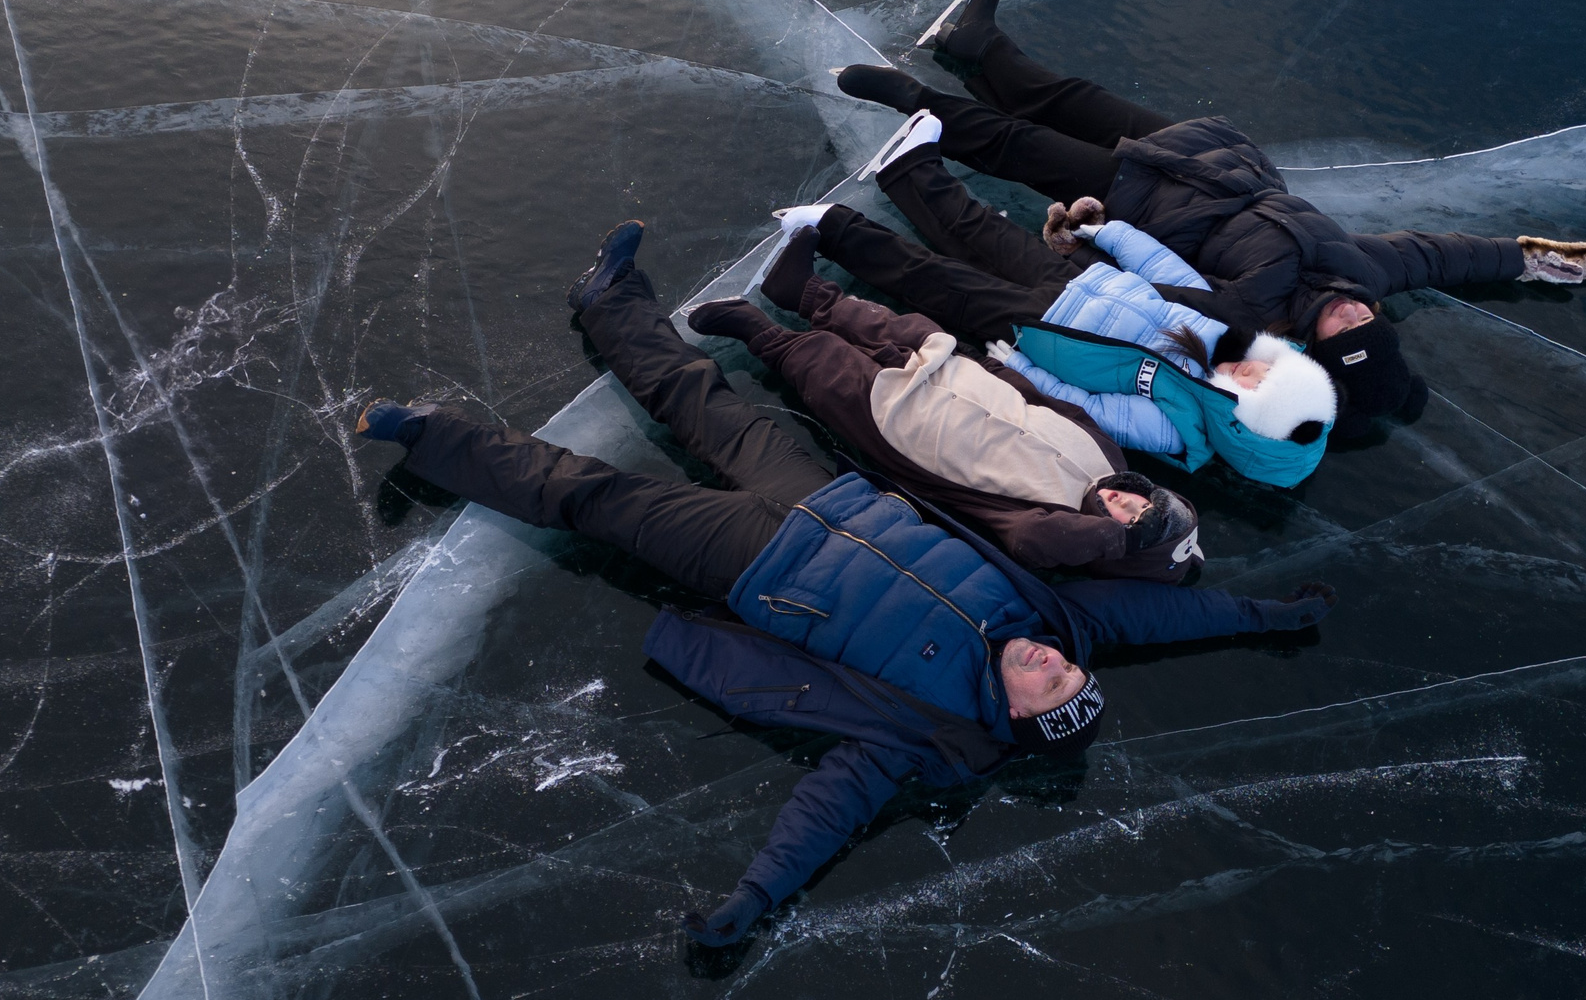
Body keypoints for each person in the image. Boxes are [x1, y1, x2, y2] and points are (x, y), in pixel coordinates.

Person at [355, 219, 1336, 946]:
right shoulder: (1047, 620)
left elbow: (828, 812)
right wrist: (1265, 617)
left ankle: (428, 437)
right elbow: (1158, 617)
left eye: (1048, 686)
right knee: (701, 395)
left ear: (1021, 719)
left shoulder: (926, 736)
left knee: (584, 495)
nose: (1050, 661)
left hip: (747, 562)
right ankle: (608, 298)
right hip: (825, 493)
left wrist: (754, 900)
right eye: (1069, 671)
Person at [833, 0, 1586, 426]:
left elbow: (1158, 296)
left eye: (1344, 331)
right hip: (1210, 159)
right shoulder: (1366, 276)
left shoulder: (1255, 315)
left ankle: (907, 96)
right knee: (1077, 100)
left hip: (1140, 198)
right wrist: (1529, 258)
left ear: (1320, 349)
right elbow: (1440, 256)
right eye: (1366, 321)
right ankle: (980, 48)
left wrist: (1091, 241)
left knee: (1018, 148)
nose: (1355, 315)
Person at [775, 114, 1338, 488]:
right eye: (1273, 373)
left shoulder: (1179, 427)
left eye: (1259, 394)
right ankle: (908, 168)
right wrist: (1107, 235)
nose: (1255, 373)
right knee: (979, 232)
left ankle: (833, 228)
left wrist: (1021, 367)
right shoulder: (1230, 329)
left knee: (930, 277)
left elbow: (1089, 409)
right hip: (1081, 280)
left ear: (1245, 423)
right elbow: (1170, 271)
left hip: (1040, 332)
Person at [687, 229, 1203, 582]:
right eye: (1140, 502)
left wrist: (1112, 540)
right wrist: (991, 367)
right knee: (887, 325)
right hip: (961, 376)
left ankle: (755, 329)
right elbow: (1051, 407)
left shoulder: (1057, 527)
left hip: (905, 428)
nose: (1122, 504)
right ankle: (799, 289)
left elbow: (1033, 542)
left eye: (1129, 520)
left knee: (825, 368)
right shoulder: (1112, 461)